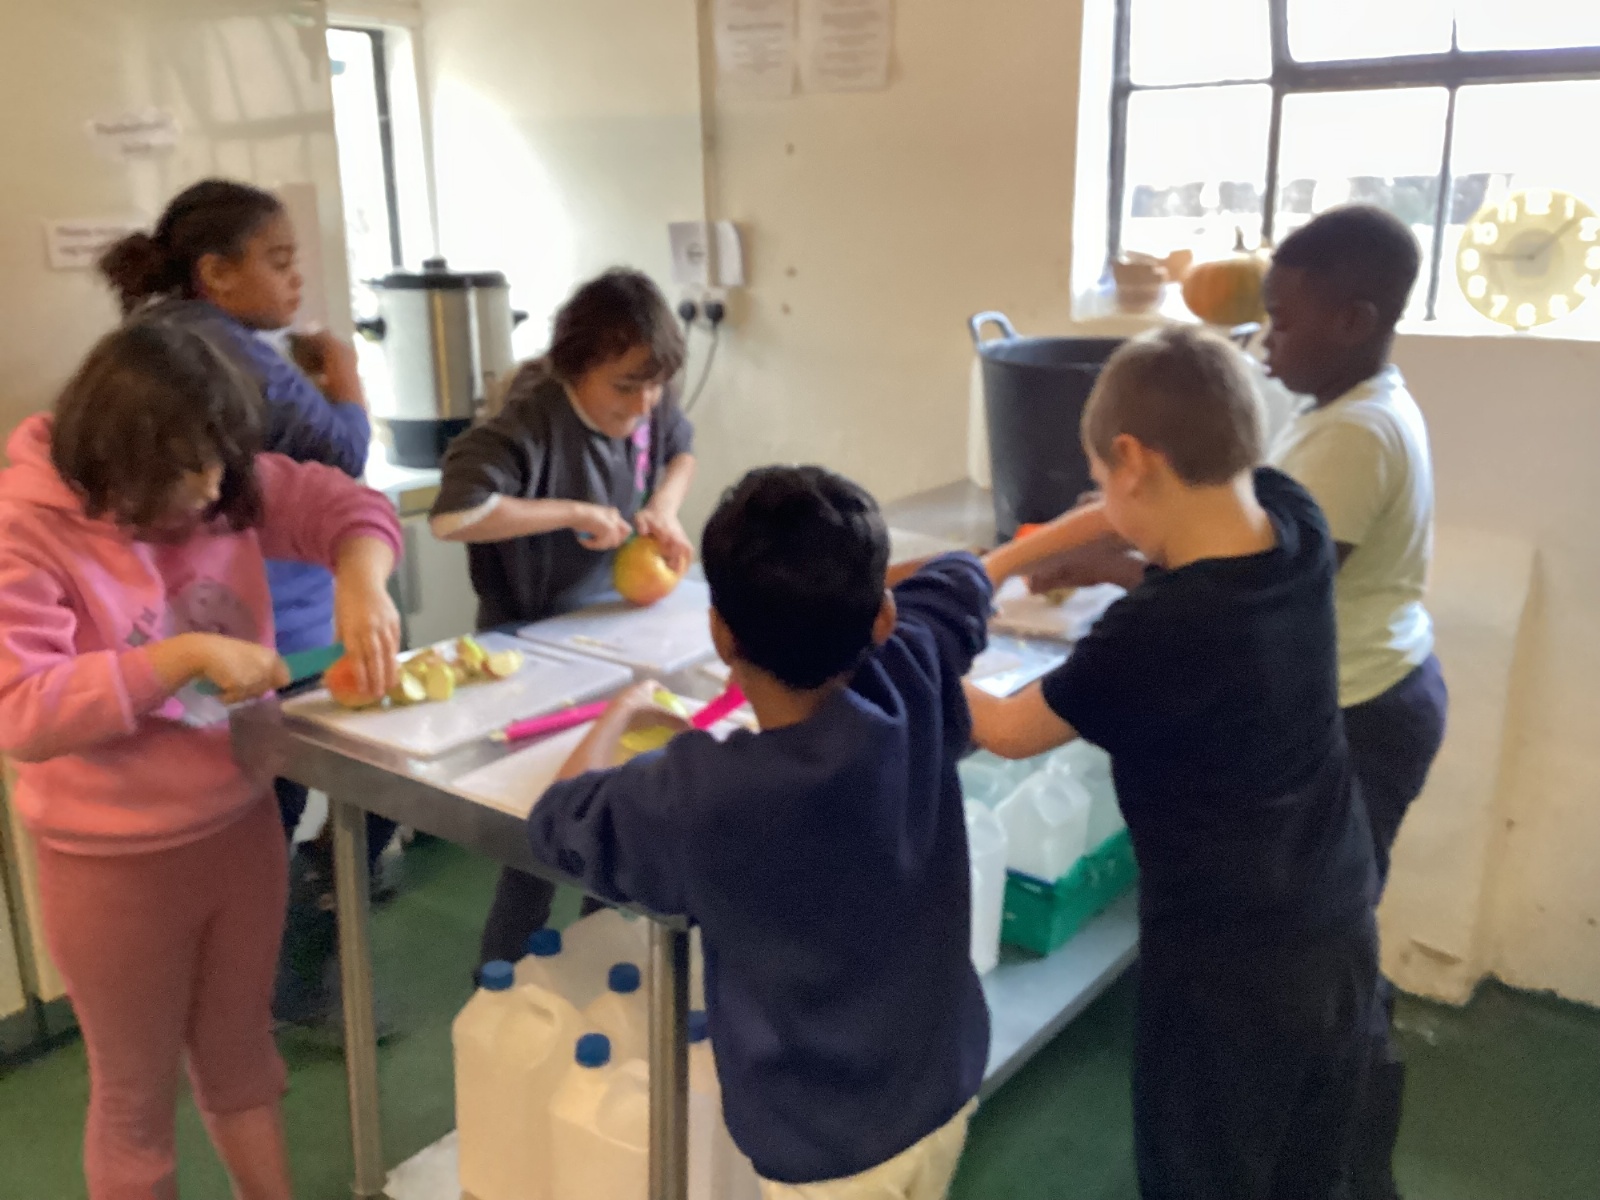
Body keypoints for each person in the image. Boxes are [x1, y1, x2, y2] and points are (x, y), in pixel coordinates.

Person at [967, 326, 1378, 1200]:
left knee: (1204, 1175)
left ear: (1132, 460)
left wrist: (920, 634)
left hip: (1227, 974)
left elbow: (1002, 729)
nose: (1100, 503)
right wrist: (997, 563)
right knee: (1313, 1172)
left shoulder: (1160, 631)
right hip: (1336, 920)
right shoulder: (1293, 519)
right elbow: (1119, 514)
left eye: (1102, 476)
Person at [0, 319, 401, 1200]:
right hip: (113, 866)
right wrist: (177, 659)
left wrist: (362, 580)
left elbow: (352, 507)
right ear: (122, 469)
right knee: (135, 1103)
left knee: (242, 1059)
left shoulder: (222, 482)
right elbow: (22, 708)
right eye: (191, 478)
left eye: (225, 466)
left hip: (239, 829)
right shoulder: (26, 527)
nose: (217, 492)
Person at [520, 467, 988, 1199]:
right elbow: (962, 577)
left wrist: (622, 712)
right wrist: (854, 593)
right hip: (942, 1083)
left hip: (826, 1146)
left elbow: (559, 817)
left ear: (720, 634)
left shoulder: (705, 794)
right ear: (883, 616)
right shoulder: (913, 667)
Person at [98, 178, 398, 1027]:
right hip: (270, 628)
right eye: (279, 260)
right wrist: (346, 378)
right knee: (295, 799)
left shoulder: (157, 337)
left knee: (271, 810)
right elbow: (340, 454)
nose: (296, 279)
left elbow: (335, 502)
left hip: (238, 627)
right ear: (217, 273)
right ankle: (276, 970)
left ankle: (265, 973)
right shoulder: (225, 350)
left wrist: (362, 572)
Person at [429, 268, 696, 969]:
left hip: (613, 632)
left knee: (615, 807)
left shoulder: (647, 402)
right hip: (531, 650)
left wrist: (664, 509)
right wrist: (572, 512)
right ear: (576, 367)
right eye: (625, 387)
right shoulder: (530, 424)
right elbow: (454, 516)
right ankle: (503, 971)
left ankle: (594, 955)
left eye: (653, 386)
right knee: (543, 824)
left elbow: (681, 450)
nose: (643, 403)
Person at [1263, 204, 1450, 1200]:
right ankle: (1336, 1150)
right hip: (1383, 690)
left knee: (1327, 946)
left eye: (1283, 320)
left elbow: (1267, 587)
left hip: (1364, 715)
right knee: (1333, 933)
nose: (1267, 339)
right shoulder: (1344, 404)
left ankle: (1339, 1167)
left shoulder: (1356, 434)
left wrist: (1119, 559)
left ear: (1352, 319)